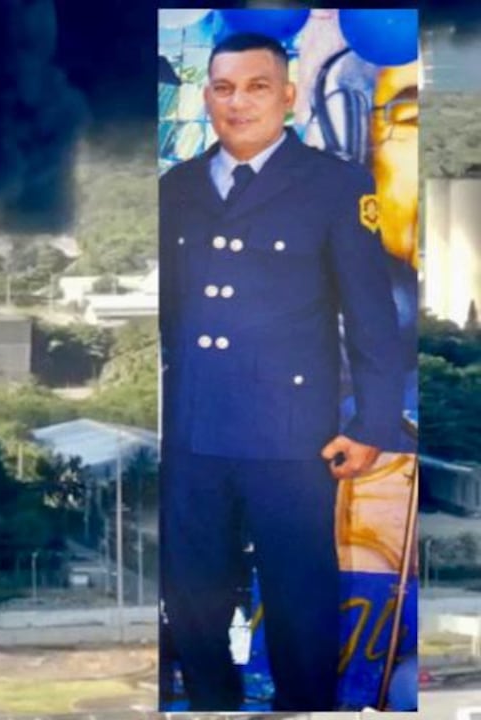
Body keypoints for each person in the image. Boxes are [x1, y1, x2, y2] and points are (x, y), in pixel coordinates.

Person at [158, 32, 404, 711]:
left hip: (291, 438)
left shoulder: (334, 185)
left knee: (299, 600)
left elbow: (371, 316)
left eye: (256, 86)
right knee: (194, 598)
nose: (238, 102)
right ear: (207, 98)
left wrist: (374, 423)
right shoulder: (176, 189)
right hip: (192, 436)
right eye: (223, 88)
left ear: (288, 96)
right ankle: (212, 704)